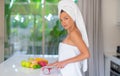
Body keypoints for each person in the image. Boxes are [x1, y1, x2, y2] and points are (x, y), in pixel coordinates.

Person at [48, 0, 90, 76]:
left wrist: (64, 62)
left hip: (72, 73)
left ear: (72, 17)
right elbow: (69, 54)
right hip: (67, 72)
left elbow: (86, 54)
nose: (63, 22)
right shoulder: (71, 33)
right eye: (61, 20)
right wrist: (56, 63)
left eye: (66, 18)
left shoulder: (74, 33)